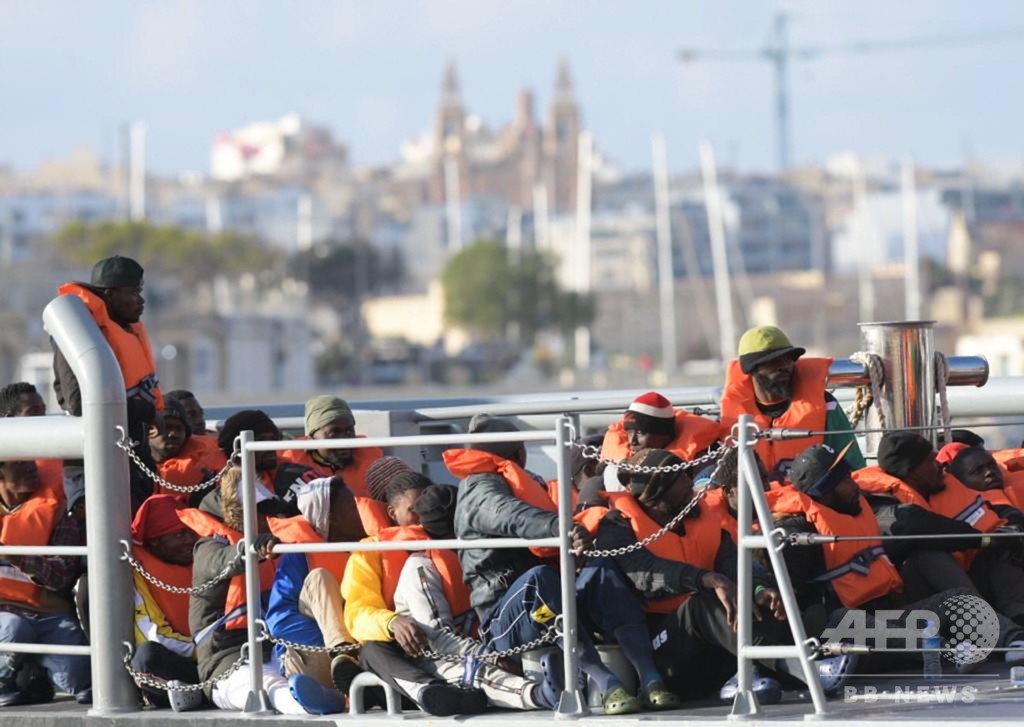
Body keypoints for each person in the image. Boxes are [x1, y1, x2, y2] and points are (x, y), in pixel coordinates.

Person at [447, 414, 672, 715]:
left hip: (550, 596)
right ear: (518, 453)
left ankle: (650, 677)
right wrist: (559, 527)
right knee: (539, 580)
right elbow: (509, 516)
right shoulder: (478, 488)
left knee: (600, 571)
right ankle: (607, 684)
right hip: (505, 620)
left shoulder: (523, 482)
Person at [576, 448, 787, 704]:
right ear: (655, 491)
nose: (690, 482)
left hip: (708, 649)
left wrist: (757, 591)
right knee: (701, 606)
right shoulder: (618, 525)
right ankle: (794, 668)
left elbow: (733, 566)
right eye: (679, 478)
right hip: (661, 657)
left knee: (767, 601)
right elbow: (642, 571)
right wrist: (706, 579)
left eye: (688, 474)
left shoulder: (701, 519)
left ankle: (774, 668)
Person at [344, 479, 560, 714]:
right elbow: (357, 614)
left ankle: (451, 693)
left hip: (466, 642)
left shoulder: (463, 551)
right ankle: (431, 692)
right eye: (414, 511)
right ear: (392, 512)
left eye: (426, 511)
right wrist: (392, 622)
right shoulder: (389, 557)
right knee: (372, 650)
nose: (421, 519)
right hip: (412, 650)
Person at [183, 466, 343, 715]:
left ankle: (332, 690)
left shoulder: (277, 546)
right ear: (238, 515)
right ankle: (306, 705)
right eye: (258, 512)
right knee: (265, 688)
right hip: (228, 664)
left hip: (276, 651)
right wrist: (249, 548)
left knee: (284, 675)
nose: (266, 518)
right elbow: (222, 560)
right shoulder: (207, 548)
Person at [854, 432, 1024, 631]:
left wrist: (1011, 528)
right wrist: (984, 539)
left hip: (964, 581)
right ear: (912, 472)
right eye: (930, 460)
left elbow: (994, 509)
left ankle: (1018, 620)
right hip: (911, 601)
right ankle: (1001, 633)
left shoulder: (941, 486)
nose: (940, 464)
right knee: (928, 553)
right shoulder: (880, 503)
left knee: (1004, 545)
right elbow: (914, 523)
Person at [53, 255, 163, 512]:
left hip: (132, 457)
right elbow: (80, 402)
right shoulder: (81, 332)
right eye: (134, 292)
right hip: (94, 466)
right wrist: (149, 413)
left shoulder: (122, 329)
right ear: (112, 295)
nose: (141, 299)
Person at [265, 476, 369, 710]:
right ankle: (341, 661)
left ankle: (340, 694)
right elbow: (280, 622)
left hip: (370, 651)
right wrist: (338, 638)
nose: (359, 512)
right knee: (319, 577)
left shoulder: (374, 548)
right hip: (315, 655)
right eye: (351, 508)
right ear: (332, 517)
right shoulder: (300, 555)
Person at [719, 325, 864, 481]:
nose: (784, 367)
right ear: (751, 369)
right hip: (754, 504)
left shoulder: (826, 407)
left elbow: (855, 469)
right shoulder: (731, 417)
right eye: (773, 362)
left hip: (812, 503)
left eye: (788, 359)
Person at [0, 460, 90, 707]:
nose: (32, 469)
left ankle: (32, 673)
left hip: (49, 614)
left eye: (32, 462)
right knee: (15, 631)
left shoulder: (58, 511)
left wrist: (17, 558)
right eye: (20, 463)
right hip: (6, 616)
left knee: (79, 680)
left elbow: (62, 575)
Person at [128, 494, 202, 710]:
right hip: (183, 656)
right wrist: (204, 649)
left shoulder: (205, 558)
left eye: (191, 533)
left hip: (216, 656)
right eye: (179, 534)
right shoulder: (139, 571)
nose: (189, 541)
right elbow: (155, 635)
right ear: (155, 541)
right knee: (147, 657)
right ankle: (203, 691)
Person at [280, 396, 390, 533]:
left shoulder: (373, 458)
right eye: (334, 433)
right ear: (311, 438)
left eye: (349, 431)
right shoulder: (290, 465)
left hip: (369, 542)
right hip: (318, 545)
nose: (344, 439)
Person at [601, 391, 722, 464]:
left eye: (640, 433)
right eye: (629, 432)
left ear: (665, 436)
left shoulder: (701, 462)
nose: (632, 441)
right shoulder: (612, 468)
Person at [149, 398, 227, 506]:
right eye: (167, 427)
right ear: (151, 430)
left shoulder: (204, 470)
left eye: (179, 429)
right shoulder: (128, 466)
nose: (174, 434)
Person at [0, 383, 63, 499]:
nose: (42, 419)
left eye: (43, 411)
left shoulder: (62, 451)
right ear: (9, 420)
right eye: (33, 412)